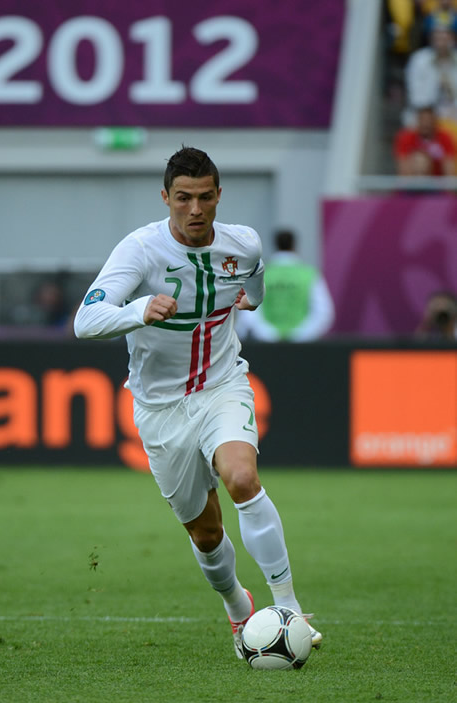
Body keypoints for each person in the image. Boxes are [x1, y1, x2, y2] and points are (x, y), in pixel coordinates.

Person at [73, 146, 322, 659]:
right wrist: (139, 309)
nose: (194, 209)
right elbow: (85, 321)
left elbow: (253, 288)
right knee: (206, 533)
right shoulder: (139, 251)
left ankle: (290, 609)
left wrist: (250, 301)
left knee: (242, 478)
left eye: (205, 197)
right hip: (159, 407)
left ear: (218, 196)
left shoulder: (244, 244)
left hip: (221, 385)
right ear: (165, 197)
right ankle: (237, 605)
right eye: (183, 198)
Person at [235, 229, 335, 342]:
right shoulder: (309, 274)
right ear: (294, 245)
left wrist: (269, 334)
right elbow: (323, 313)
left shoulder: (261, 273)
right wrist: (300, 335)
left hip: (267, 345)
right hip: (302, 347)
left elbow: (249, 309)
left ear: (275, 245)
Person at [404, 23, 457, 124]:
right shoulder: (419, 59)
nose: (442, 43)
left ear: (453, 40)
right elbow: (415, 94)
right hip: (426, 111)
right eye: (438, 38)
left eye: (445, 39)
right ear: (432, 40)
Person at [393, 104, 456, 174]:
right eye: (423, 120)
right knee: (420, 160)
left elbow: (449, 167)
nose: (426, 124)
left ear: (434, 121)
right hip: (412, 182)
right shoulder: (406, 138)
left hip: (436, 182)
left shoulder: (444, 138)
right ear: (418, 121)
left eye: (429, 120)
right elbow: (403, 168)